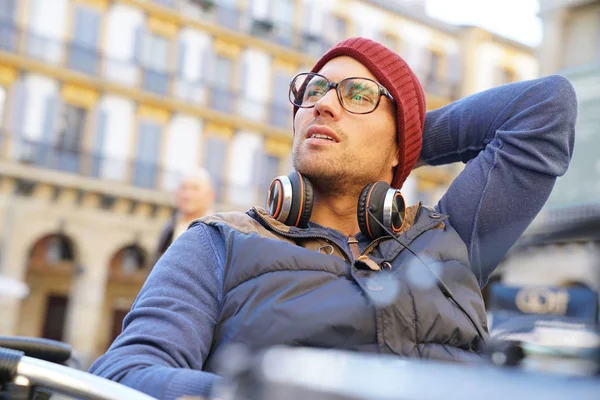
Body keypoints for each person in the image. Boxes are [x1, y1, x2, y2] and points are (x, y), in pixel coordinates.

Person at [88, 37, 577, 400]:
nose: (321, 103)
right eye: (314, 90)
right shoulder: (218, 242)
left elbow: (545, 107)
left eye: (358, 95)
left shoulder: (453, 237)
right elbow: (125, 373)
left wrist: (402, 139)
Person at [153, 167, 215, 263]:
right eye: (183, 188)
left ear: (210, 195)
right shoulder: (169, 228)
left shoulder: (215, 232)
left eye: (195, 189)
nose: (187, 195)